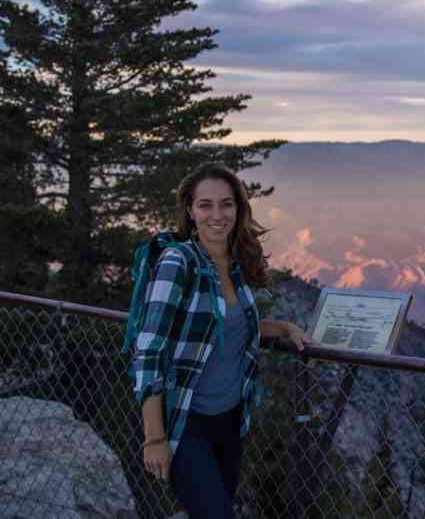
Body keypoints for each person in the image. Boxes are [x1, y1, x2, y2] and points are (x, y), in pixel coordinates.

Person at [131, 161, 314, 518]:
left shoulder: (234, 263)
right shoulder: (177, 262)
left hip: (229, 420)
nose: (217, 214)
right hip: (185, 423)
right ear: (189, 210)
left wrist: (284, 329)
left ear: (239, 209)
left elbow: (228, 327)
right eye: (205, 205)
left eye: (226, 204)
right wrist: (154, 438)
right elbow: (148, 350)